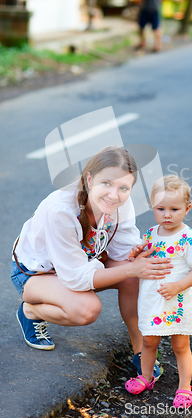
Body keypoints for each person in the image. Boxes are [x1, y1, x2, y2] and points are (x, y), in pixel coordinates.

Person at [11, 146, 172, 379]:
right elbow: (76, 278)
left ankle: (142, 352)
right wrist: (131, 266)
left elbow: (124, 250)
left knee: (136, 275)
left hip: (80, 264)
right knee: (87, 310)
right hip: (36, 275)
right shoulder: (62, 210)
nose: (114, 194)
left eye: (123, 188)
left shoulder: (119, 203)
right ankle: (31, 310)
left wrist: (148, 256)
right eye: (107, 183)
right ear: (89, 179)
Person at [124, 175, 192, 408]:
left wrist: (178, 286)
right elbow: (145, 256)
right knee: (149, 342)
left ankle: (184, 387)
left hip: (176, 300)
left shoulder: (188, 238)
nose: (167, 215)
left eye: (174, 209)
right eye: (161, 209)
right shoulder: (151, 233)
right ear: (153, 208)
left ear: (186, 209)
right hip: (152, 300)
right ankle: (146, 377)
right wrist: (136, 254)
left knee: (180, 345)